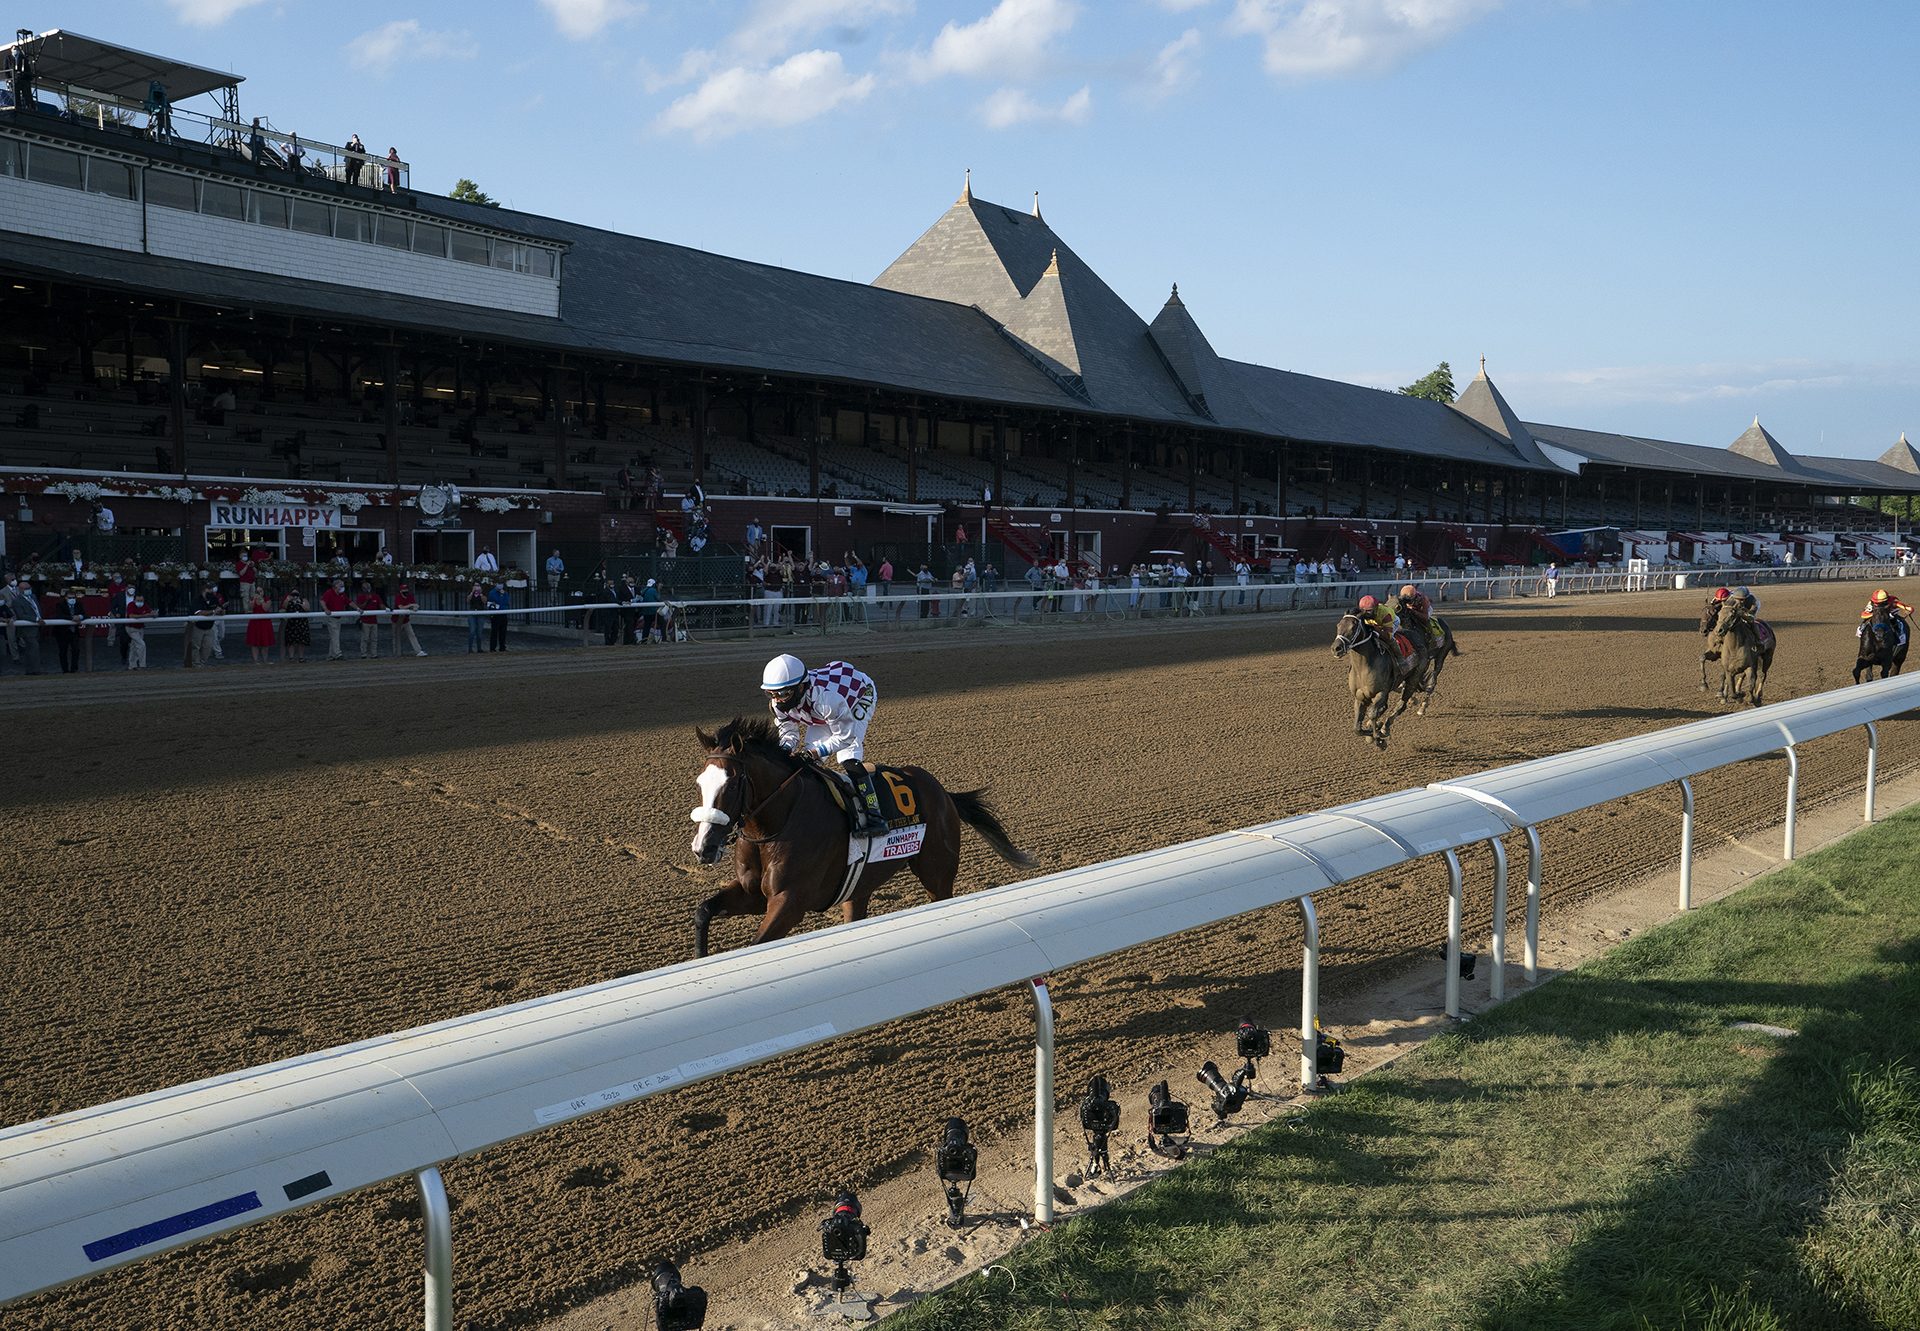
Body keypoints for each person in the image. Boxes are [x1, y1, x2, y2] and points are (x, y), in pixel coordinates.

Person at [760, 653, 887, 836]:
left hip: (860, 696)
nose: (777, 700)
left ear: (800, 687)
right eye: (771, 694)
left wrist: (814, 752)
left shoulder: (827, 699)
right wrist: (783, 751)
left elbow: (845, 737)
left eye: (783, 694)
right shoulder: (778, 702)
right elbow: (789, 734)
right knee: (808, 765)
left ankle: (876, 817)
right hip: (822, 712)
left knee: (848, 757)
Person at [320, 576, 350, 659]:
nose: (342, 587)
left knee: (334, 636)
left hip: (338, 618)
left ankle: (331, 655)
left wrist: (358, 608)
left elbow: (349, 602)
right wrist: (326, 609)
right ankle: (337, 654)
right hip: (331, 618)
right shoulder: (329, 592)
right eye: (341, 585)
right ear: (336, 586)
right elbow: (322, 601)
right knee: (335, 635)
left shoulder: (342, 594)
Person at [392, 583, 426, 657]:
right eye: (404, 590)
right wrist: (410, 605)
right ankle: (396, 653)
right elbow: (401, 607)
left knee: (412, 635)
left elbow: (415, 607)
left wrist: (414, 606)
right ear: (401, 591)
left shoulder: (410, 596)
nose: (406, 591)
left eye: (406, 589)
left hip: (406, 620)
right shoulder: (398, 597)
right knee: (396, 637)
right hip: (397, 620)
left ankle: (418, 651)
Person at [124, 590, 153, 669]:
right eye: (138, 600)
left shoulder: (145, 605)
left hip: (140, 628)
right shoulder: (130, 605)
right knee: (141, 645)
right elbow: (131, 615)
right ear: (134, 600)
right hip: (131, 628)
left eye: (141, 600)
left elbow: (151, 612)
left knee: (134, 646)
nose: (140, 602)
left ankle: (132, 665)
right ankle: (142, 665)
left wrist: (153, 614)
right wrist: (145, 615)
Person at [355, 580, 384, 659]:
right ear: (362, 589)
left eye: (368, 587)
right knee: (365, 638)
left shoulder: (376, 596)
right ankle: (363, 654)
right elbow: (360, 607)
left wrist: (386, 609)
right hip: (365, 621)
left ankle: (374, 654)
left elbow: (381, 605)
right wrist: (367, 601)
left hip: (374, 621)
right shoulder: (360, 597)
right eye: (365, 588)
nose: (367, 589)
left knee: (374, 638)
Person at [281, 587, 311, 663]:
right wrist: (288, 599)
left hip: (302, 623)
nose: (294, 595)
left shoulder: (303, 600)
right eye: (293, 593)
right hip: (291, 623)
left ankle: (301, 657)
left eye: (296, 593)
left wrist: (299, 603)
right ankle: (291, 658)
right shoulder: (288, 600)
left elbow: (307, 608)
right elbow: (284, 606)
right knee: (291, 641)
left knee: (301, 641)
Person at [487, 580, 510, 651]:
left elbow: (507, 602)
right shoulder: (492, 593)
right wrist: (501, 596)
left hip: (503, 614)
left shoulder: (505, 593)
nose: (500, 585)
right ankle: (492, 647)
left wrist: (503, 595)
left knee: (503, 631)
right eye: (499, 583)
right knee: (494, 631)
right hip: (495, 615)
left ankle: (502, 647)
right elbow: (494, 602)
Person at [467, 582, 488, 653]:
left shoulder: (483, 593)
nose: (477, 587)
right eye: (475, 585)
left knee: (479, 632)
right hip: (472, 613)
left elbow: (485, 601)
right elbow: (468, 600)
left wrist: (481, 593)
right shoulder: (471, 593)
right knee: (472, 631)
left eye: (478, 586)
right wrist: (472, 592)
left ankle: (479, 648)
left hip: (480, 614)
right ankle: (470, 649)